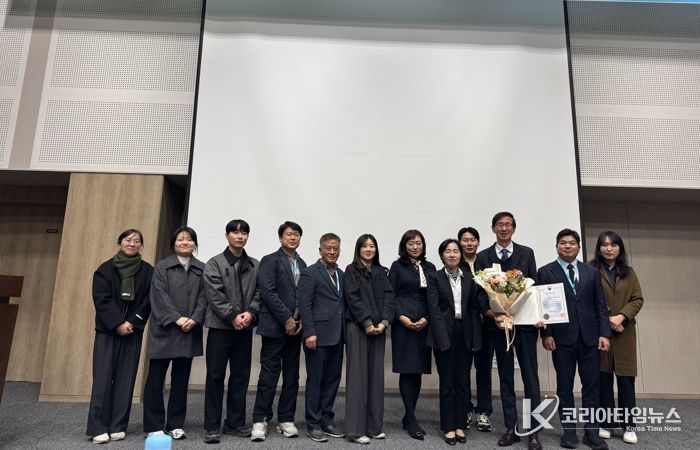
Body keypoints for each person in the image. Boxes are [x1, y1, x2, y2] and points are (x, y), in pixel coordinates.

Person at [538, 229, 612, 450]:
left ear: (579, 247)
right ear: (557, 246)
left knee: (592, 387)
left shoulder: (591, 272)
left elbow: (600, 305)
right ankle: (569, 432)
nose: (567, 246)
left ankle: (592, 432)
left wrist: (604, 333)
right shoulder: (546, 271)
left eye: (571, 243)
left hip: (590, 339)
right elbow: (542, 307)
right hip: (561, 339)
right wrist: (547, 334)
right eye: (563, 243)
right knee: (564, 387)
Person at [474, 212, 542, 450]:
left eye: (508, 225)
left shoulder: (527, 253)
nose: (504, 228)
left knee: (530, 378)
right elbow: (480, 292)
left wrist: (536, 316)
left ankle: (533, 431)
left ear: (514, 228)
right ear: (493, 228)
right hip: (498, 327)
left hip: (524, 327)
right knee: (505, 378)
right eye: (499, 225)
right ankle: (511, 428)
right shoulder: (483, 256)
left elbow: (533, 287)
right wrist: (490, 313)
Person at [87, 229, 154, 444]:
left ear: (141, 245)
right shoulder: (105, 269)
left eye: (137, 241)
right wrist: (117, 323)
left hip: (133, 331)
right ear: (120, 242)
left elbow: (149, 300)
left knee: (126, 380)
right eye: (128, 240)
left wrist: (131, 322)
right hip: (107, 331)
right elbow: (101, 299)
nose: (132, 244)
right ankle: (98, 427)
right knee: (102, 379)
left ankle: (118, 425)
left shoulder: (148, 271)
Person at [143, 226, 207, 440]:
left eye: (189, 239)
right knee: (155, 379)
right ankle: (153, 425)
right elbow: (158, 295)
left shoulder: (202, 268)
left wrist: (195, 318)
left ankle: (175, 424)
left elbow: (205, 297)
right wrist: (176, 318)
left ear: (195, 244)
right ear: (173, 243)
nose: (185, 242)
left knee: (181, 380)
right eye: (180, 239)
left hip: (189, 331)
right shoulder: (162, 267)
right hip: (165, 330)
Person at [202, 219, 261, 444]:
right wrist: (232, 316)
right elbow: (213, 294)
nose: (240, 236)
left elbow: (260, 292)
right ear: (226, 236)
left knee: (240, 376)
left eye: (244, 232)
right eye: (235, 232)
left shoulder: (255, 264)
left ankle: (235, 423)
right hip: (220, 328)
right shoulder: (214, 263)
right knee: (215, 376)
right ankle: (212, 426)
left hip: (244, 328)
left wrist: (250, 313)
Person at [251, 221, 307, 442]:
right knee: (269, 375)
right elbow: (268, 292)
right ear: (280, 238)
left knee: (292, 375)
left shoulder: (302, 263)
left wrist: (298, 318)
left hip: (296, 329)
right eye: (289, 234)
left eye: (296, 235)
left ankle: (286, 418)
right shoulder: (269, 260)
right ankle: (260, 419)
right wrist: (287, 319)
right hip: (275, 327)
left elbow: (303, 294)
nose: (293, 238)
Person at [590, 231, 644, 445]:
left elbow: (637, 299)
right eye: (604, 245)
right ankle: (606, 423)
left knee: (626, 380)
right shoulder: (590, 270)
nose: (608, 248)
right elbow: (587, 300)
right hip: (600, 333)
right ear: (599, 248)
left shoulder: (629, 272)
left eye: (613, 245)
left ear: (620, 248)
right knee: (602, 379)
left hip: (624, 333)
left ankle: (629, 426)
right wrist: (608, 320)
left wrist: (621, 317)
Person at [426, 239, 481, 446]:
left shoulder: (469, 278)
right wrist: (443, 339)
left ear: (461, 255)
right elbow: (434, 310)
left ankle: (460, 425)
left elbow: (474, 310)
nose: (452, 254)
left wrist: (476, 339)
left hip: (465, 333)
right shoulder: (434, 277)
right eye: (448, 251)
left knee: (463, 383)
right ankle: (448, 426)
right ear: (442, 255)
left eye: (455, 251)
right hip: (444, 334)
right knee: (447, 382)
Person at [343, 234, 395, 444]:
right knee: (358, 379)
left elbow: (390, 298)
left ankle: (374, 427)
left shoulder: (382, 272)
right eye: (364, 246)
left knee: (375, 378)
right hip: (358, 328)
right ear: (358, 249)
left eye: (372, 246)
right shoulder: (351, 270)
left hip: (379, 329)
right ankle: (355, 430)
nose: (368, 249)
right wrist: (367, 322)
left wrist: (384, 322)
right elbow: (352, 298)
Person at [297, 233, 345, 442]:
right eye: (328, 248)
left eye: (336, 248)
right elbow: (304, 305)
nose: (332, 252)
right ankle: (313, 423)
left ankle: (327, 420)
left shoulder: (341, 274)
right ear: (320, 250)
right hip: (317, 336)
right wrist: (309, 332)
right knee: (316, 380)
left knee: (332, 380)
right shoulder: (310, 273)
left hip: (338, 335)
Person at [389, 230, 436, 440]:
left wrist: (427, 318)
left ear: (423, 245)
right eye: (410, 243)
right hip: (403, 323)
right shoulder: (397, 266)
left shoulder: (430, 267)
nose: (415, 247)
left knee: (417, 371)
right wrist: (401, 317)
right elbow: (390, 295)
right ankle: (411, 419)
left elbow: (435, 297)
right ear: (404, 246)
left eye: (418, 243)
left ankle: (409, 416)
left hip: (424, 323)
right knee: (407, 370)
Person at [458, 226, 493, 432]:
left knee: (484, 369)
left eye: (473, 240)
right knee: (463, 369)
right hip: (464, 325)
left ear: (478, 242)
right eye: (465, 240)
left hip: (486, 325)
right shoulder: (454, 263)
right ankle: (465, 408)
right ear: (459, 243)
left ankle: (484, 411)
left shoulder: (487, 263)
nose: (469, 243)